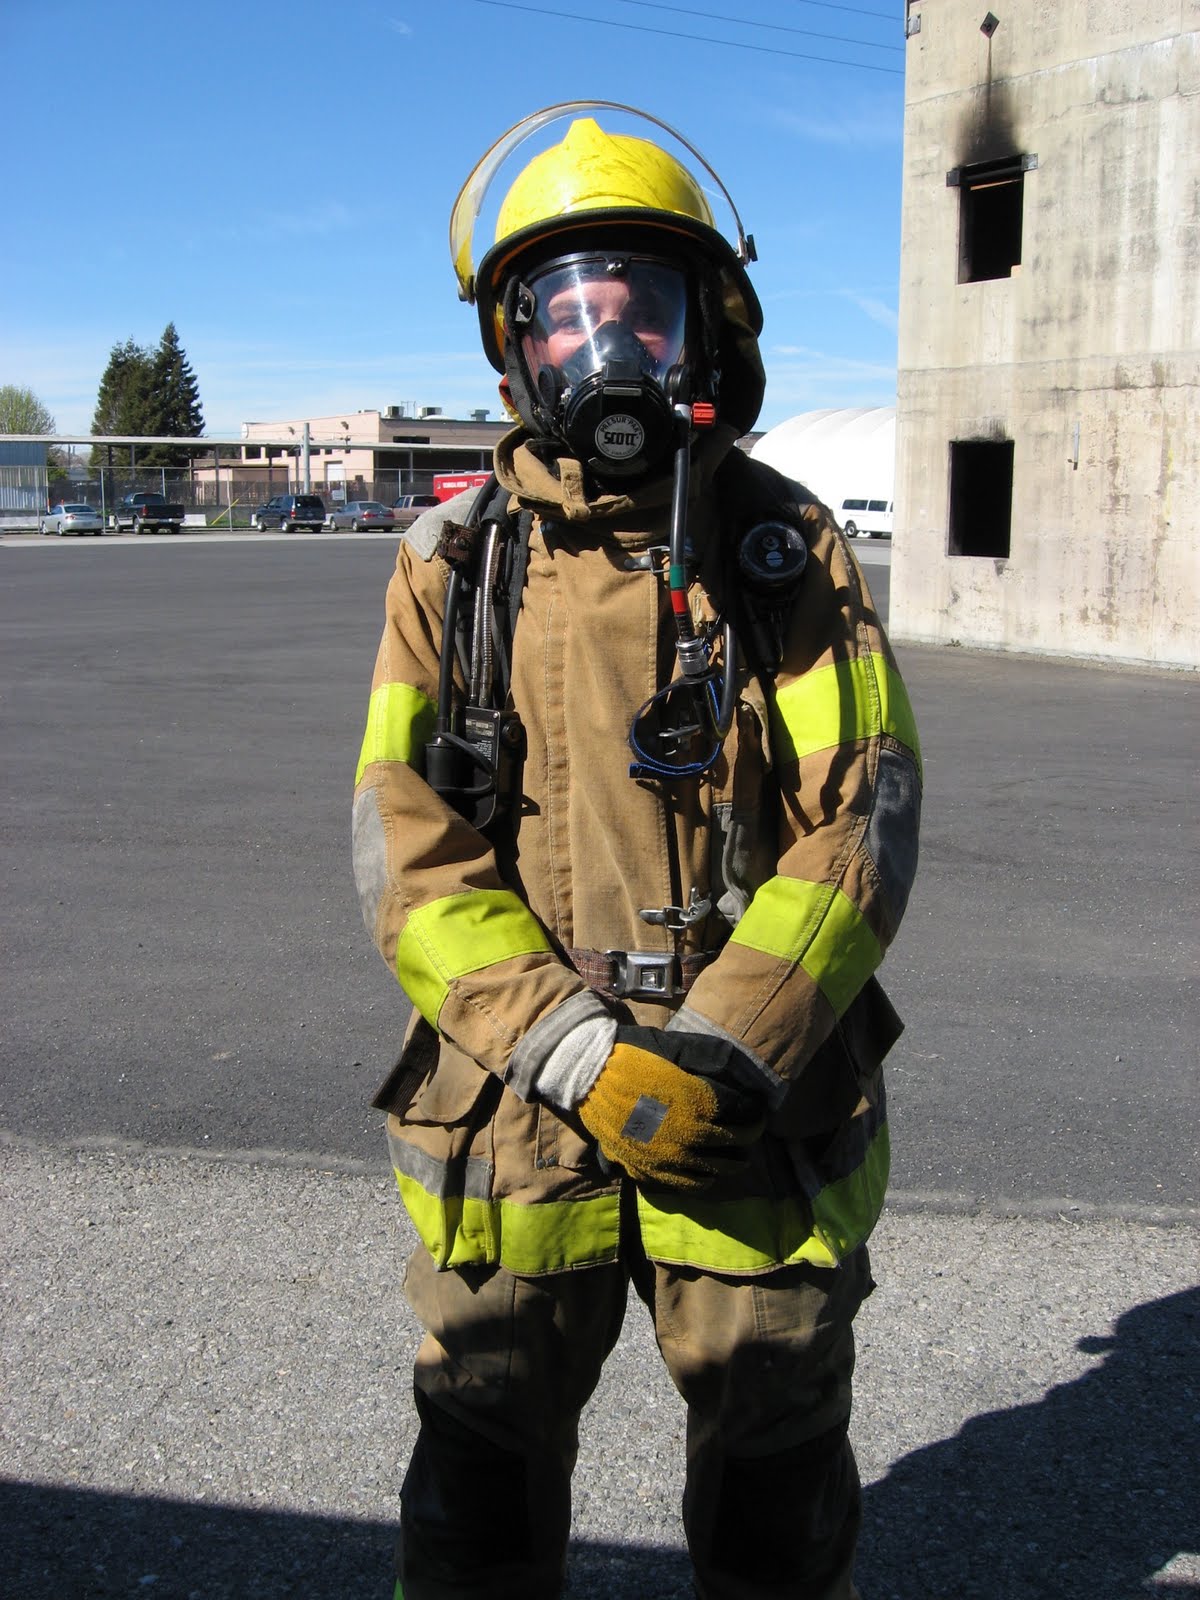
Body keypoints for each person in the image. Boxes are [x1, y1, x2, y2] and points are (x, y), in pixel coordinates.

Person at [352, 102, 922, 1600]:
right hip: (516, 1109)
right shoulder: (451, 562)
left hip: (753, 1103)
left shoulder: (781, 549)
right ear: (514, 351)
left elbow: (863, 813)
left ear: (703, 336)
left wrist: (731, 1045)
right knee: (478, 1472)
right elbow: (406, 849)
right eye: (568, 316)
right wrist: (573, 1051)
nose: (605, 355)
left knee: (773, 1482)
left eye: (639, 313)